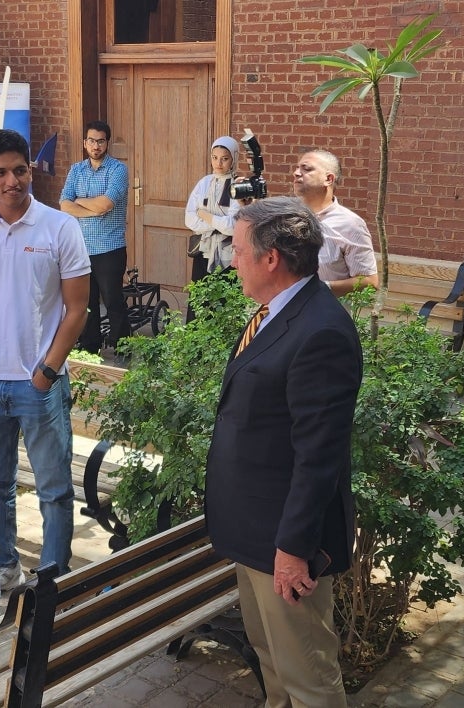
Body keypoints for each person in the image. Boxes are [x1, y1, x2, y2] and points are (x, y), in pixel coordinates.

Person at [205, 196, 361, 707]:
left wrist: (293, 550)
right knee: (272, 661)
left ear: (271, 259)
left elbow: (319, 456)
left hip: (286, 545)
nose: (232, 259)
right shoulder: (277, 312)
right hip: (255, 534)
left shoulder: (321, 331)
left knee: (308, 675)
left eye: (239, 248)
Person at [0, 129, 91, 603]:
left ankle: (53, 579)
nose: (13, 181)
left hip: (40, 384)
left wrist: (48, 371)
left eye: (20, 170)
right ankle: (2, 568)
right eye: (1, 172)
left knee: (53, 486)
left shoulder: (60, 228)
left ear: (31, 171)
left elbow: (77, 309)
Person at [59, 120, 130, 355]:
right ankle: (90, 347)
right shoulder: (76, 170)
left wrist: (79, 201)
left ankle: (122, 347)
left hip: (110, 246)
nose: (96, 145)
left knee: (112, 301)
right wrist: (90, 206)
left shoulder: (117, 170)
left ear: (107, 143)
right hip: (81, 247)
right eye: (91, 140)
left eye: (100, 141)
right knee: (85, 302)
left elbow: (106, 204)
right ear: (84, 143)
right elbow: (63, 205)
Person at [293, 149, 379, 296]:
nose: (296, 173)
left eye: (306, 169)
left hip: (324, 314)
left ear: (329, 179)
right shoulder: (285, 215)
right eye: (297, 167)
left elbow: (370, 281)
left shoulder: (350, 224)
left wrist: (319, 289)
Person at [184, 136, 241, 322]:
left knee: (224, 304)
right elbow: (190, 219)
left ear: (233, 159)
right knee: (199, 301)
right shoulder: (204, 183)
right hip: (203, 251)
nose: (219, 163)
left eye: (224, 158)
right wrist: (219, 223)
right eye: (214, 157)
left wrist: (206, 215)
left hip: (228, 255)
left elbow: (233, 226)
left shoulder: (238, 186)